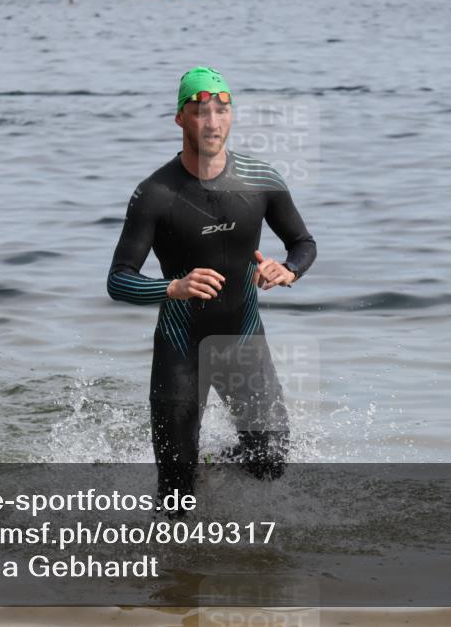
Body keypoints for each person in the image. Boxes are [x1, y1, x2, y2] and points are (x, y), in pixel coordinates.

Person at [106, 67, 316, 512]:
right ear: (181, 118)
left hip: (242, 340)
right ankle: (176, 576)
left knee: (271, 461)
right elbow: (119, 279)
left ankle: (215, 466)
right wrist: (173, 287)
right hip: (181, 347)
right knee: (176, 496)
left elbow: (303, 244)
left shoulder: (262, 180)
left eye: (222, 111)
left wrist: (289, 271)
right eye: (201, 112)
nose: (213, 122)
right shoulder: (155, 194)